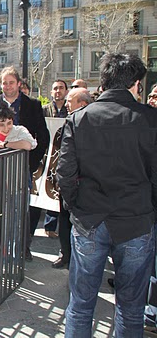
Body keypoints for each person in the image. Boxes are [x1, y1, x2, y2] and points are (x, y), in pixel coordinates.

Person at [57, 53, 157, 337]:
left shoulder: (79, 119)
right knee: (131, 307)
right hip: (136, 221)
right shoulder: (150, 118)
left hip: (91, 220)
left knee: (81, 304)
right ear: (136, 84)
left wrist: (77, 207)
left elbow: (65, 175)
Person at [0, 66, 50, 261]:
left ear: (19, 84)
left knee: (20, 211)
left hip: (21, 168)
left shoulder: (33, 105)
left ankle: (20, 248)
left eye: (11, 82)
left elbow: (43, 137)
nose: (7, 86)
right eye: (4, 83)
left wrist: (30, 162)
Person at [51, 87, 92, 270]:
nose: (66, 104)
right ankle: (65, 255)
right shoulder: (70, 121)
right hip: (69, 186)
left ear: (82, 104)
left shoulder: (88, 123)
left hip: (83, 187)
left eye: (70, 101)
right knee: (65, 222)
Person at [40, 79, 69, 239]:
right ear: (51, 92)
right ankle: (49, 226)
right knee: (48, 189)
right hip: (47, 155)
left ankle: (56, 226)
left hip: (64, 155)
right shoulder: (44, 110)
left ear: (66, 91)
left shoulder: (70, 110)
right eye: (55, 88)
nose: (58, 91)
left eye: (61, 88)